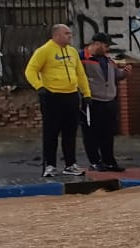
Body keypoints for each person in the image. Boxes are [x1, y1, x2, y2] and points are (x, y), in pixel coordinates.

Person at [24, 23, 91, 178]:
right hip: (52, 96)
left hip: (71, 95)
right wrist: (39, 87)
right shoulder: (44, 51)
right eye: (66, 33)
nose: (70, 36)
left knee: (70, 132)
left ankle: (70, 164)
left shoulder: (72, 52)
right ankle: (50, 165)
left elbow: (80, 74)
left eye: (70, 33)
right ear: (56, 35)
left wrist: (86, 94)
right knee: (51, 132)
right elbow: (30, 70)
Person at [81, 33, 129, 172]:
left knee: (108, 133)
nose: (107, 49)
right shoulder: (82, 57)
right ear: (96, 43)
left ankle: (109, 160)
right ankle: (95, 161)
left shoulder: (108, 60)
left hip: (109, 101)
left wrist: (124, 73)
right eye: (106, 46)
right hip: (92, 100)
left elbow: (115, 75)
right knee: (91, 133)